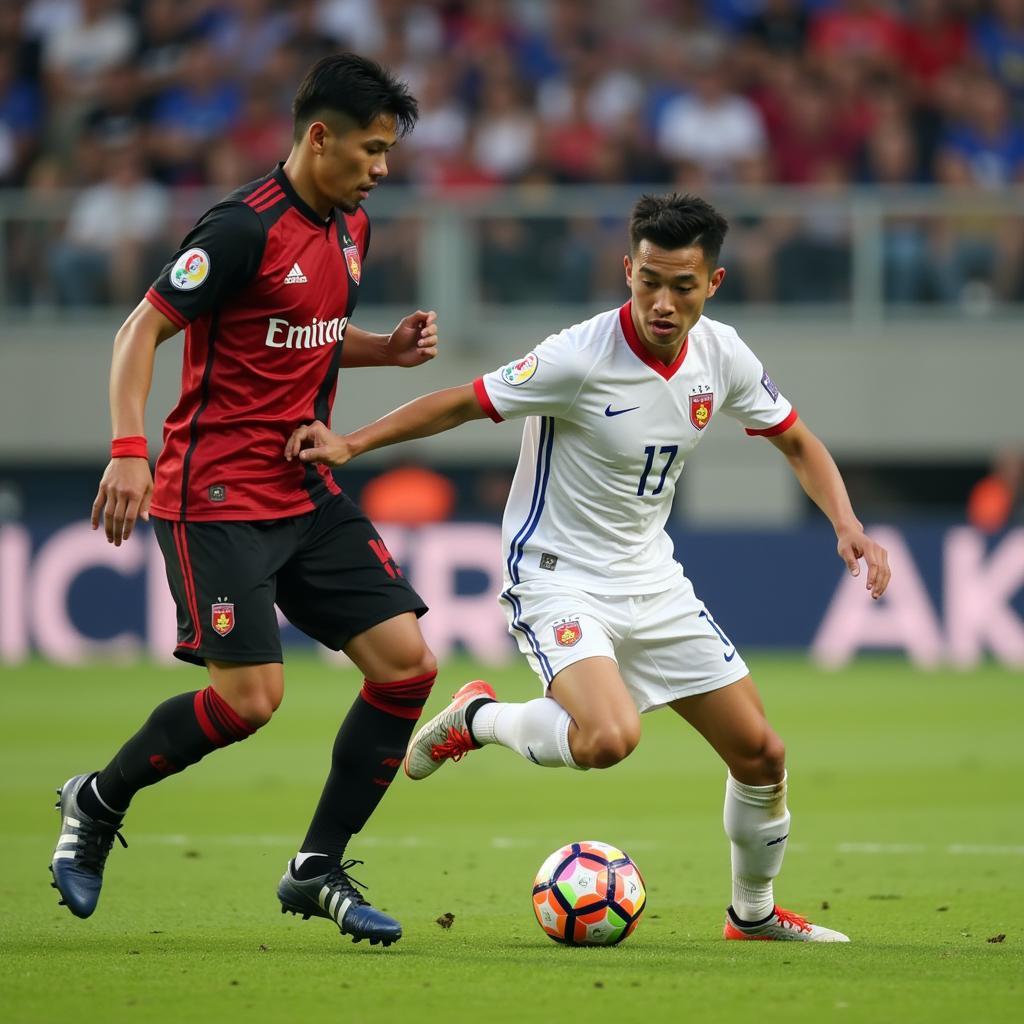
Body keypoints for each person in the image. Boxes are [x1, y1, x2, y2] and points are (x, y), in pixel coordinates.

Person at [284, 193, 892, 943]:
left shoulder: (723, 355)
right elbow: (460, 404)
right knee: (609, 738)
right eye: (649, 282)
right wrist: (349, 444)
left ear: (715, 283)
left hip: (654, 580)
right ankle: (479, 719)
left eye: (683, 286)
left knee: (762, 754)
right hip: (557, 574)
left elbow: (796, 440)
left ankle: (753, 914)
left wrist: (847, 522)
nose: (663, 303)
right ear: (626, 270)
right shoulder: (579, 356)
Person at [51, 53, 450, 949]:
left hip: (303, 485)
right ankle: (97, 798)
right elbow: (140, 327)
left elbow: (298, 330)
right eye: (371, 149)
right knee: (250, 700)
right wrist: (128, 449)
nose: (382, 167)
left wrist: (381, 349)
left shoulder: (351, 225)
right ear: (319, 137)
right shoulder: (240, 226)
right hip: (216, 494)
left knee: (406, 666)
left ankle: (316, 867)